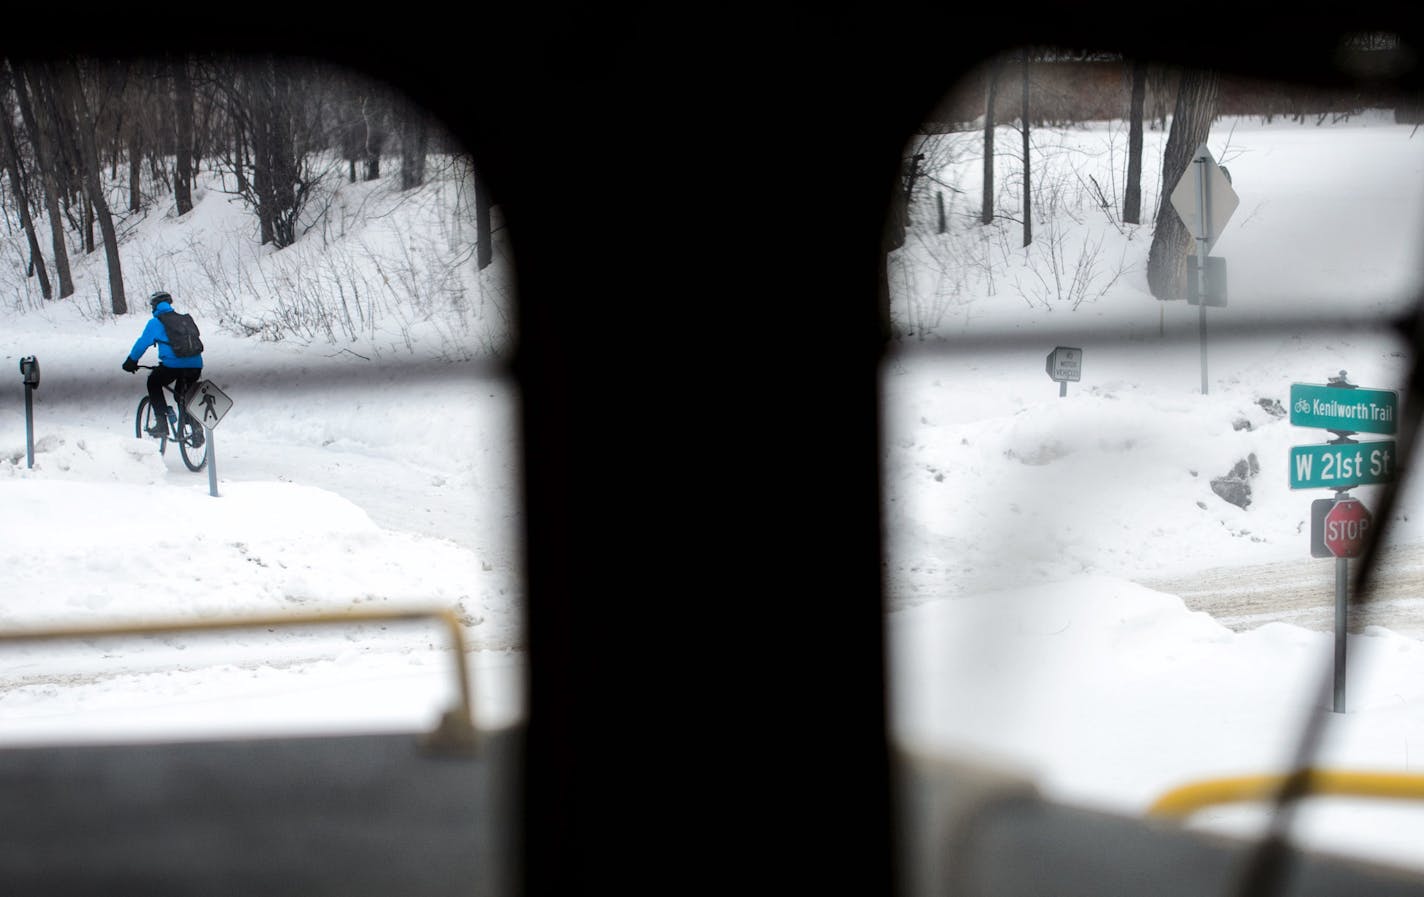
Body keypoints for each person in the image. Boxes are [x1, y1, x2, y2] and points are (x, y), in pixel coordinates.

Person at [121, 290, 203, 439]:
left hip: (172, 366)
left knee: (153, 382)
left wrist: (131, 362)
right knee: (183, 395)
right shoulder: (185, 319)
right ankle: (195, 428)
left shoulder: (155, 322)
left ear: (154, 307)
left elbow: (142, 344)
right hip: (196, 365)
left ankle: (162, 423)